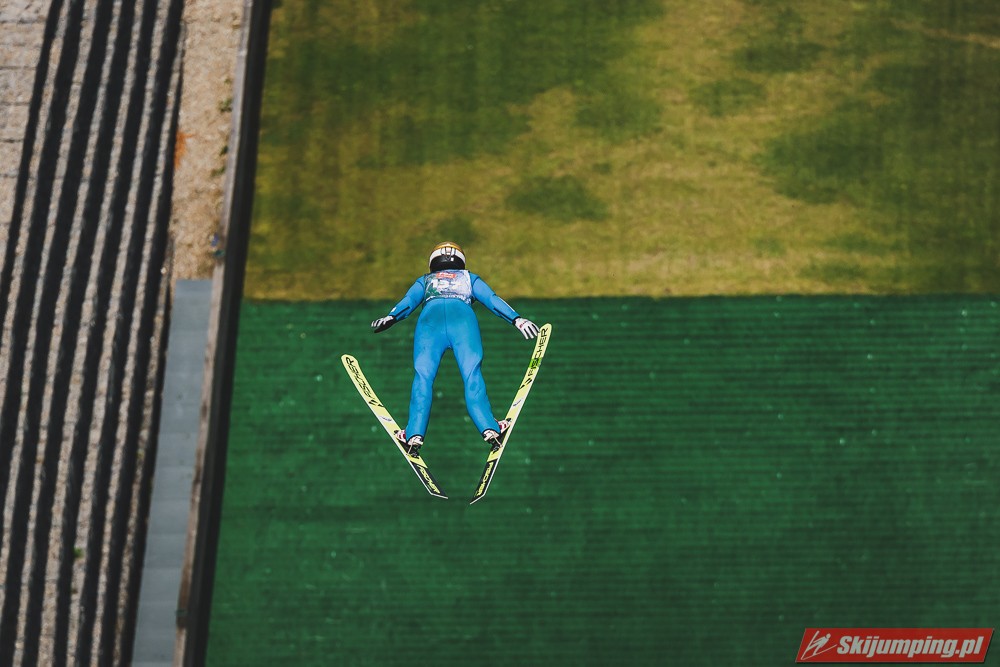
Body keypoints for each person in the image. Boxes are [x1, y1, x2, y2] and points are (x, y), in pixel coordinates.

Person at [371, 241, 540, 456]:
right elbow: (491, 299)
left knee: (423, 376)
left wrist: (391, 317)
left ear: (433, 261)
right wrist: (517, 319)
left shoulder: (425, 280)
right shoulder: (469, 278)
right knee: (472, 373)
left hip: (430, 322)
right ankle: (490, 428)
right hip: (462, 320)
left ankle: (414, 434)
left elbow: (409, 300)